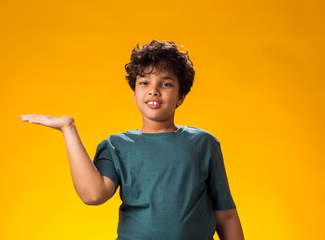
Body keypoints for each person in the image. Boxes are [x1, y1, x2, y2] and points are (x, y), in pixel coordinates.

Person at [20, 39, 245, 240]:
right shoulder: (116, 146)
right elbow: (93, 194)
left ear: (181, 96)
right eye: (144, 83)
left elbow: (225, 215)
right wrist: (68, 129)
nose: (154, 91)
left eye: (166, 84)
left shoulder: (204, 143)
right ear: (135, 94)